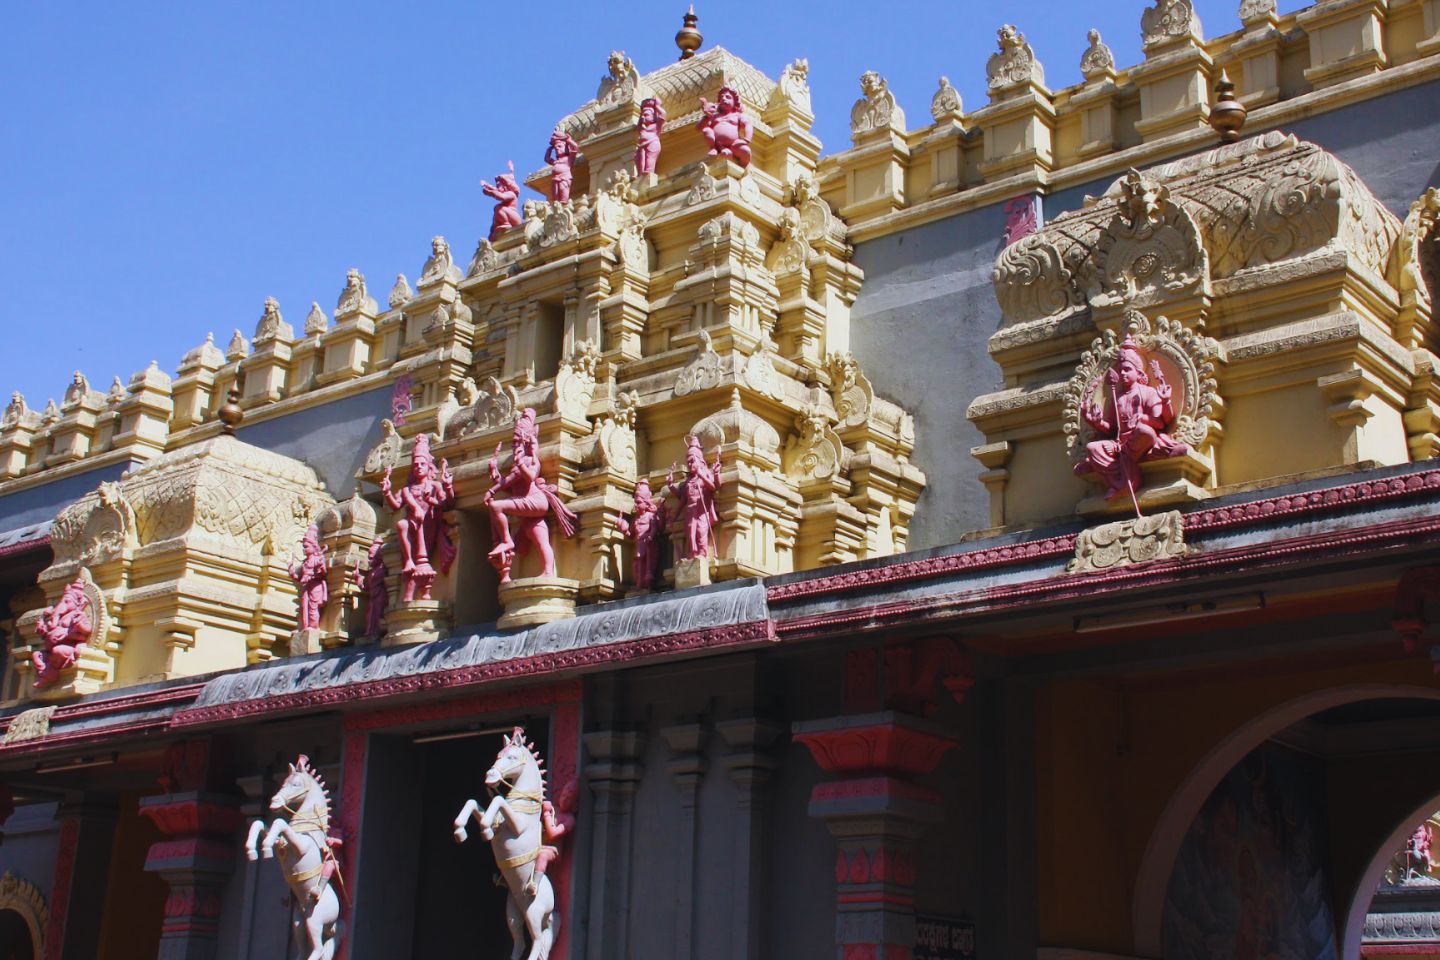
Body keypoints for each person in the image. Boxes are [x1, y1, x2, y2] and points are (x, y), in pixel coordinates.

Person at [1074, 335, 1188, 503]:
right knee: (1092, 447)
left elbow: (1160, 422)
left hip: (1138, 440)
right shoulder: (1118, 398)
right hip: (1121, 444)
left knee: (1145, 431)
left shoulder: (1148, 392)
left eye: (1127, 369)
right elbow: (1112, 428)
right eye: (1121, 370)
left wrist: (1142, 417)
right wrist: (1094, 421)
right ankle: (1121, 481)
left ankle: (1122, 475)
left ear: (1138, 372)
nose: (1123, 373)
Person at [486, 408, 579, 582]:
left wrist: (520, 463)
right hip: (527, 508)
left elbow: (530, 476)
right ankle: (548, 572)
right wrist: (494, 475)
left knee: (496, 506)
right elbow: (509, 484)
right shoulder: (518, 462)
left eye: (517, 441)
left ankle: (506, 540)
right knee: (540, 539)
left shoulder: (530, 459)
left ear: (526, 440)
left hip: (536, 501)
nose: (514, 445)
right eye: (513, 442)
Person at [667, 436, 721, 560]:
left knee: (700, 531)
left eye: (692, 461)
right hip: (690, 512)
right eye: (688, 462)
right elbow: (682, 500)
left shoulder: (705, 474)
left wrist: (702, 475)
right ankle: (693, 554)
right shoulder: (688, 481)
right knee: (690, 534)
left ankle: (702, 553)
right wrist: (670, 486)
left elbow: (713, 487)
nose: (690, 464)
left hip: (702, 511)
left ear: (700, 461)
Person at [696, 86, 752, 168]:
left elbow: (748, 125)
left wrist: (746, 139)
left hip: (734, 146)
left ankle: (742, 167)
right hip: (717, 145)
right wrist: (707, 116)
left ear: (735, 102)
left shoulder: (737, 116)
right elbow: (699, 128)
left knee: (746, 151)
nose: (723, 98)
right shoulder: (715, 116)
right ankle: (714, 149)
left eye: (728, 97)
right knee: (706, 130)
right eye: (721, 97)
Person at [544, 130, 579, 203]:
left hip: (564, 178)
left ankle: (564, 203)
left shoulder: (568, 159)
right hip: (555, 179)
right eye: (556, 148)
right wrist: (549, 149)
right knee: (556, 194)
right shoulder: (556, 161)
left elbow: (575, 147)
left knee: (563, 189)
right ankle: (557, 205)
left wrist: (569, 140)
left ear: (566, 148)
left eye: (560, 146)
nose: (557, 149)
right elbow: (547, 159)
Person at [634, 98, 666, 175]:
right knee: (639, 160)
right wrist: (641, 114)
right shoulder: (642, 129)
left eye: (646, 115)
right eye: (642, 116)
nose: (643, 117)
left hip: (652, 143)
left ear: (653, 117)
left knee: (650, 158)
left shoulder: (656, 126)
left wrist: (657, 106)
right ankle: (640, 174)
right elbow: (638, 126)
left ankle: (649, 172)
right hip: (642, 146)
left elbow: (663, 115)